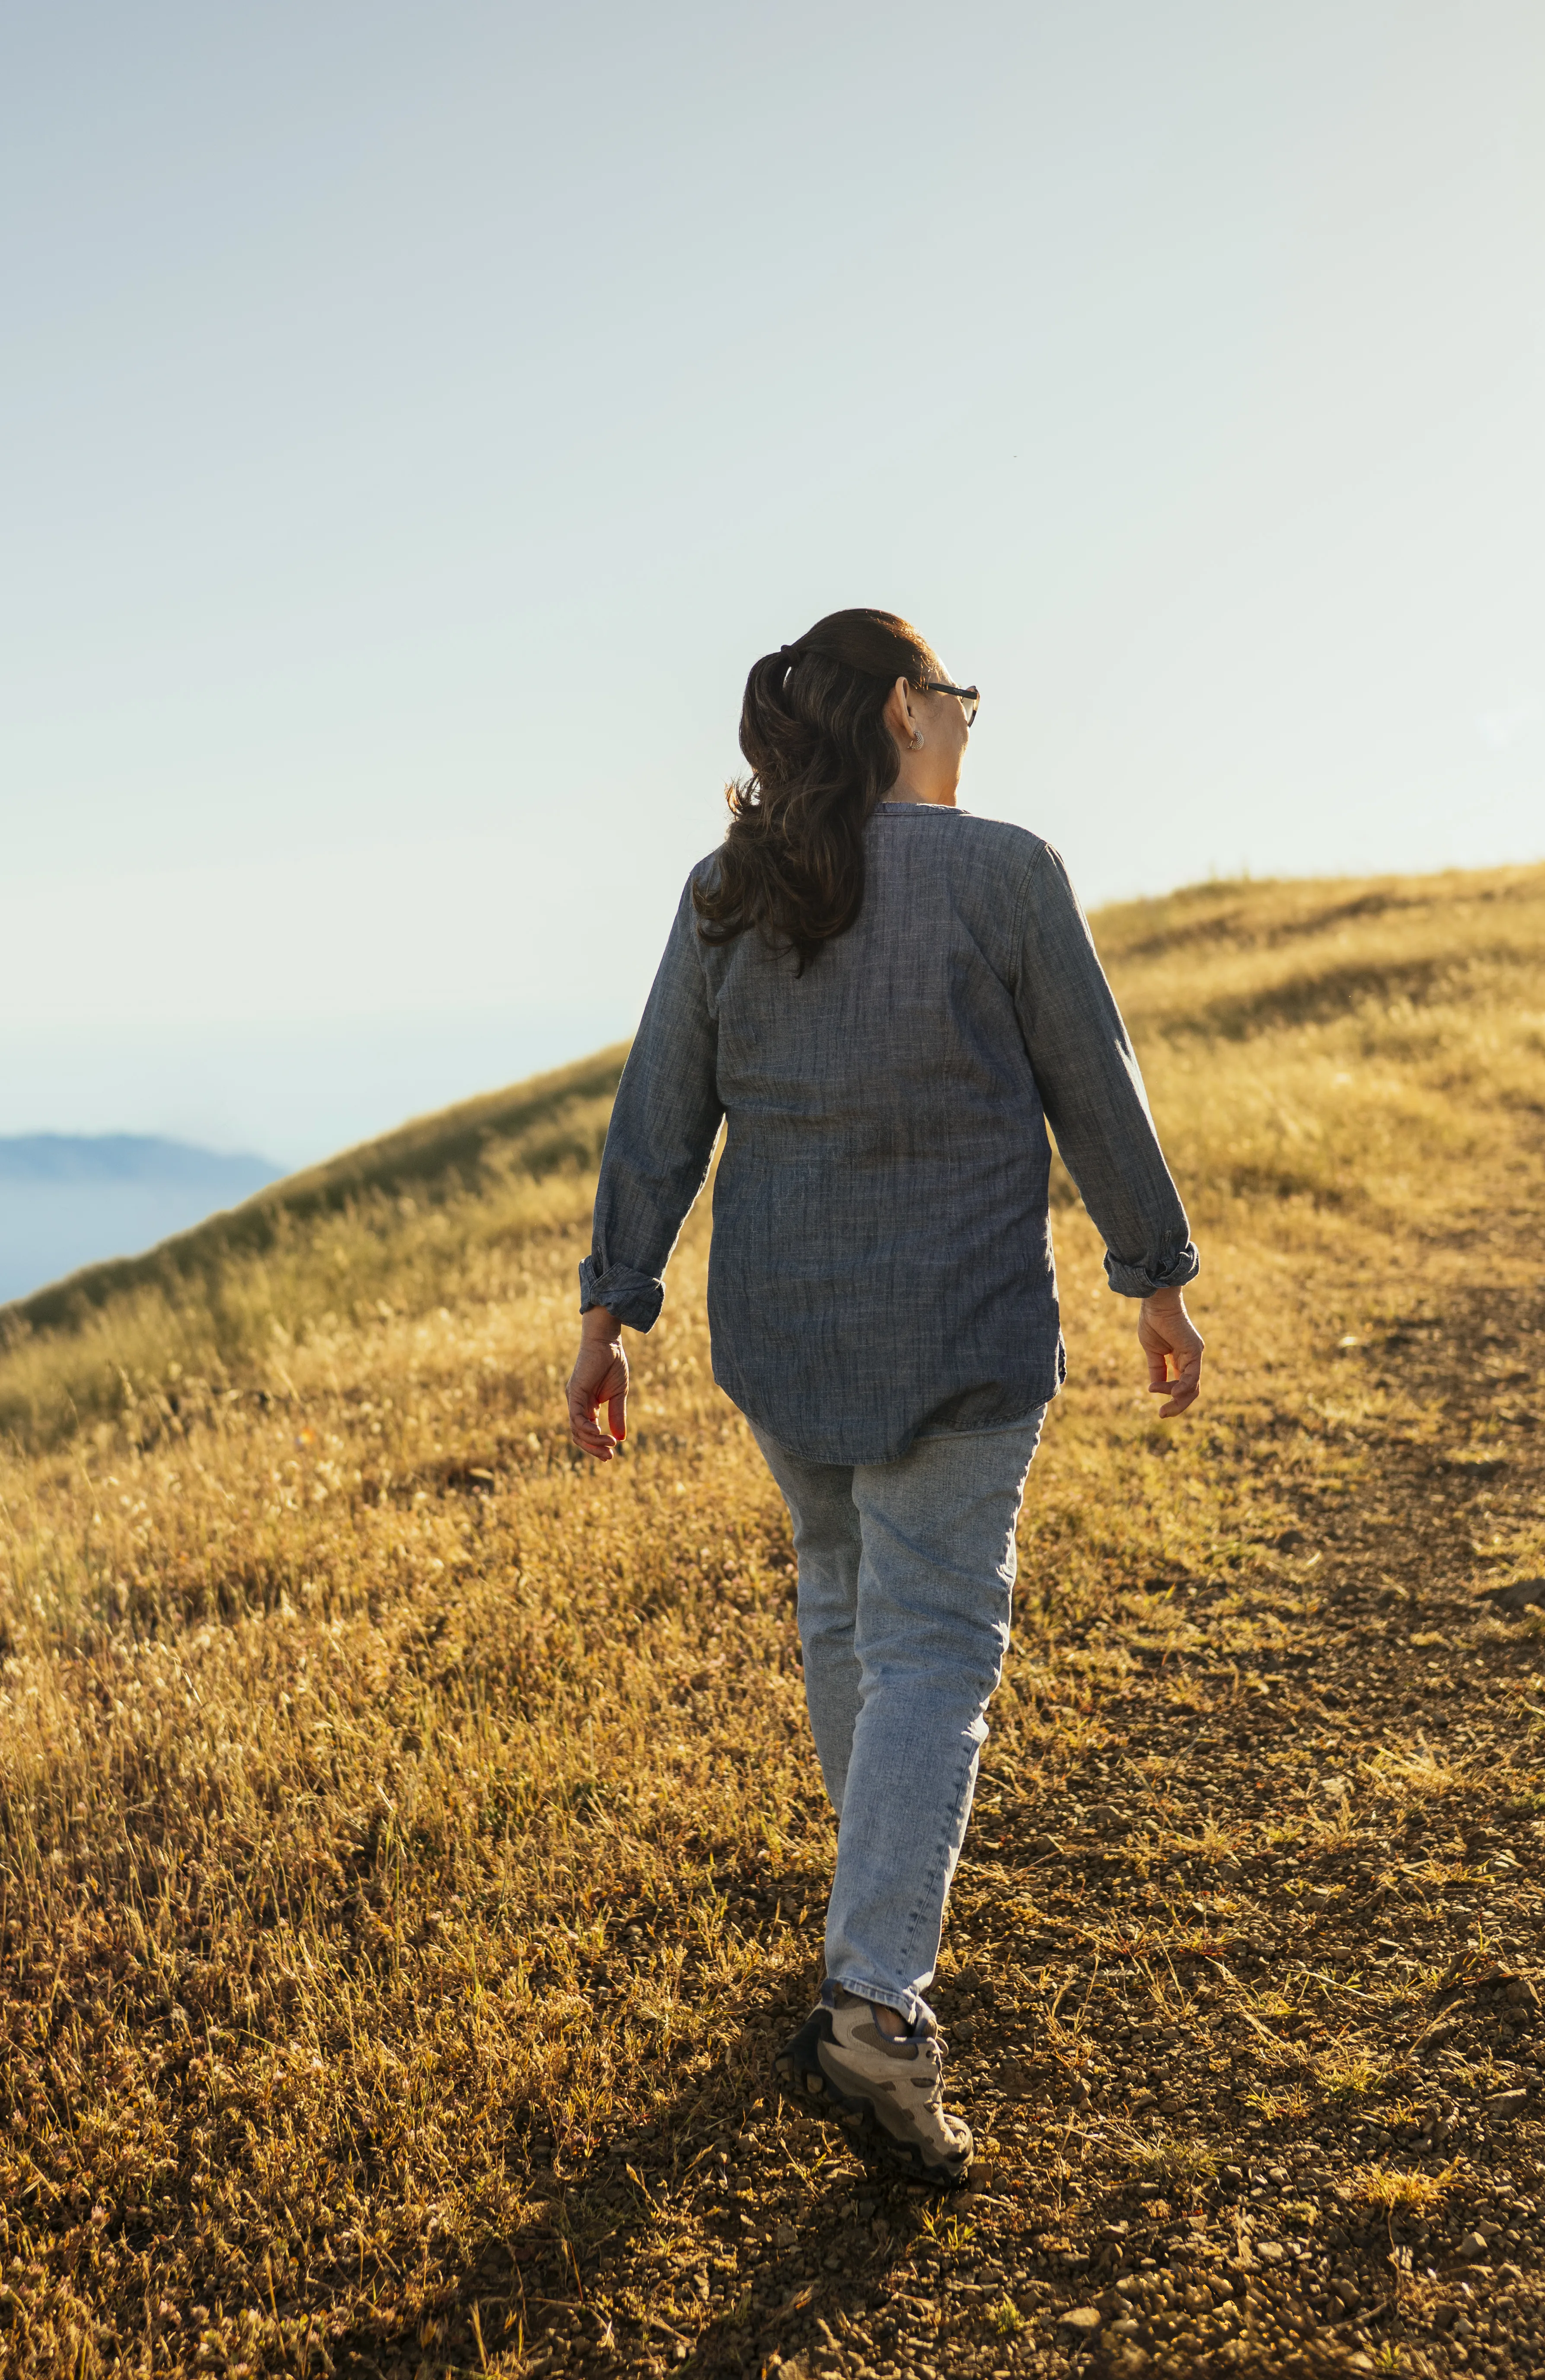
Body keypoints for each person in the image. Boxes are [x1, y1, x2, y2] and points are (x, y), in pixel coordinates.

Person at [564, 608, 1205, 2185]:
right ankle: (874, 1997)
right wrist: (1157, 1275)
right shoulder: (1002, 874)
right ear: (909, 713)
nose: (972, 724)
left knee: (849, 1605)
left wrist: (610, 1313)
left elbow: (660, 1115)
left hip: (782, 1333)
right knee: (933, 1637)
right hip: (963, 1332)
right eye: (959, 698)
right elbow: (1095, 1090)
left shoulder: (731, 890)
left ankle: (872, 1934)